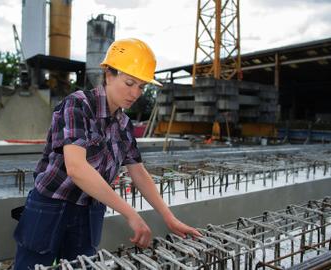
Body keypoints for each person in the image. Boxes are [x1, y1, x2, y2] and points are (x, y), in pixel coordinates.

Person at [13, 38, 201, 269]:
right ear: (108, 75)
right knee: (32, 265)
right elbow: (77, 169)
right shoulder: (78, 106)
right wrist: (131, 214)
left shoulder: (123, 123)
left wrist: (169, 218)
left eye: (142, 87)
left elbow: (138, 172)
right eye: (129, 82)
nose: (135, 93)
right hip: (51, 204)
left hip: (90, 209)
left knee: (82, 265)